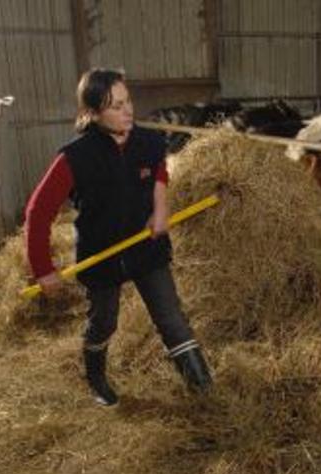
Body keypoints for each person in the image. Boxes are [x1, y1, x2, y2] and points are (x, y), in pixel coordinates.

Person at [24, 68, 212, 406]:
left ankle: (205, 392)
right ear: (93, 114)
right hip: (102, 253)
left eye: (128, 101)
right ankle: (96, 378)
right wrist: (43, 268)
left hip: (145, 246)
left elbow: (159, 172)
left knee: (171, 318)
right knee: (104, 323)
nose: (127, 111)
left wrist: (160, 209)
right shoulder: (75, 157)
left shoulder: (149, 141)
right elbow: (38, 211)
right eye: (115, 106)